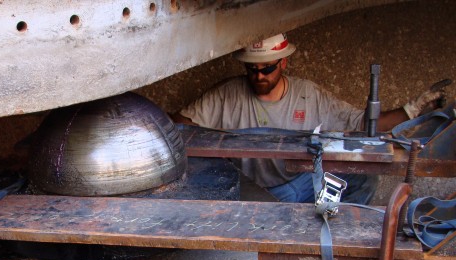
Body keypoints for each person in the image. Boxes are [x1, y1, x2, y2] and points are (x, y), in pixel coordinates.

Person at [171, 33, 446, 204]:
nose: (259, 76)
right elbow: (180, 123)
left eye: (267, 68)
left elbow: (360, 124)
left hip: (298, 184)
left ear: (283, 63)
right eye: (251, 70)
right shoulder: (227, 94)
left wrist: (411, 110)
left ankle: (333, 235)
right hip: (252, 192)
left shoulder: (308, 95)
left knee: (364, 177)